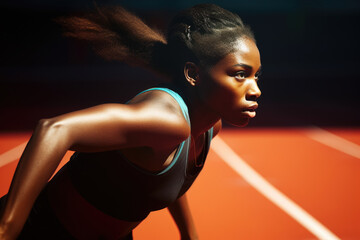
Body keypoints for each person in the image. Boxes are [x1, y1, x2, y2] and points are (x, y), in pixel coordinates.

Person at [0, 3, 262, 240]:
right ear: (193, 74)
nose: (255, 89)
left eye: (256, 76)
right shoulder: (166, 120)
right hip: (43, 229)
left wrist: (188, 233)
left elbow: (173, 173)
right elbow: (54, 129)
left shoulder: (208, 128)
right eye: (240, 75)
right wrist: (7, 228)